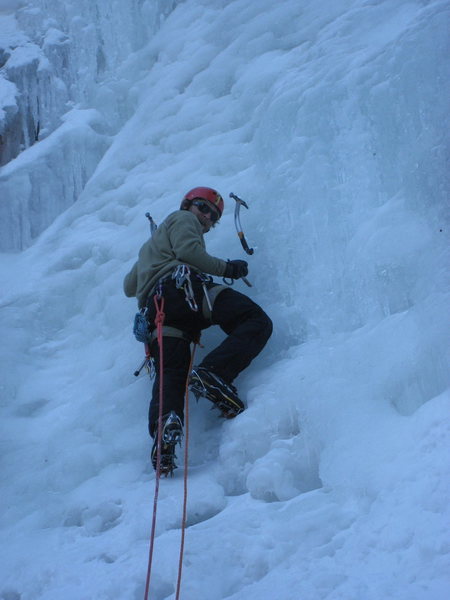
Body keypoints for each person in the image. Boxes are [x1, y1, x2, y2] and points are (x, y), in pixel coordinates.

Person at [123, 186, 272, 474]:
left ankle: (163, 439)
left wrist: (151, 257)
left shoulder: (153, 244)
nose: (206, 218)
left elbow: (129, 287)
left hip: (158, 314)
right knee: (255, 320)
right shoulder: (182, 219)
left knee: (171, 374)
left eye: (212, 216)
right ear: (187, 205)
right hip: (183, 291)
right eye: (203, 208)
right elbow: (189, 252)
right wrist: (229, 268)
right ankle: (214, 373)